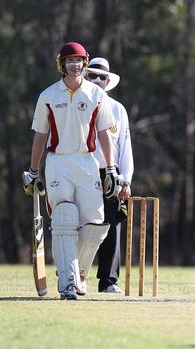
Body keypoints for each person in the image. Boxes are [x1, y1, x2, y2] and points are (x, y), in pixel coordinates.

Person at [22, 42, 120, 300]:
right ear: (61, 65)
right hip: (58, 163)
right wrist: (33, 171)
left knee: (96, 225)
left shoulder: (96, 95)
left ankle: (78, 274)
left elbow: (104, 134)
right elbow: (40, 137)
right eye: (69, 61)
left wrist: (110, 168)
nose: (74, 65)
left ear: (84, 63)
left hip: (88, 163)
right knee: (64, 219)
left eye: (78, 60)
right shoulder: (48, 96)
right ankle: (67, 282)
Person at [86, 57, 133, 293]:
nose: (96, 80)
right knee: (80, 224)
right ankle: (75, 275)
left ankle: (108, 281)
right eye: (91, 75)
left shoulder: (117, 109)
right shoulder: (77, 104)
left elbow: (124, 148)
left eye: (101, 77)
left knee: (112, 224)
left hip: (110, 172)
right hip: (82, 169)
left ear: (107, 81)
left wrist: (125, 180)